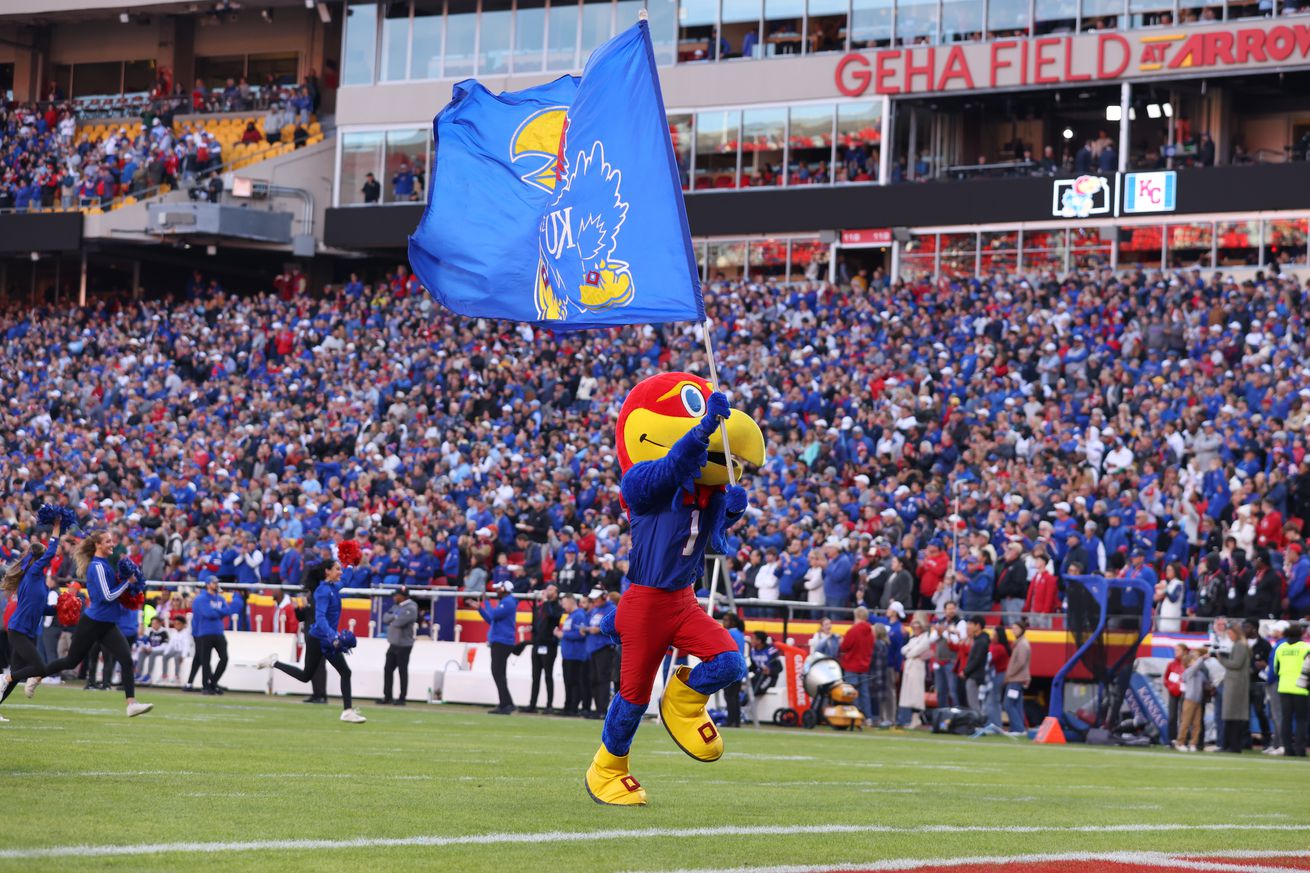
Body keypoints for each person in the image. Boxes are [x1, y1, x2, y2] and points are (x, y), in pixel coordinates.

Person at [17, 530, 152, 718]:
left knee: (127, 660)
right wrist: (127, 584)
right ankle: (36, 676)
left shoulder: (105, 564)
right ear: (97, 545)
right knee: (71, 661)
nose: (112, 544)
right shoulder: (97, 566)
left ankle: (131, 704)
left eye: (112, 541)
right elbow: (107, 596)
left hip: (107, 623)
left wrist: (128, 583)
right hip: (93, 622)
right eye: (107, 541)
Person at [259, 558, 367, 724]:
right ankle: (274, 662)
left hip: (327, 639)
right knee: (306, 676)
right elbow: (320, 617)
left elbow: (346, 578)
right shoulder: (322, 591)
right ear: (327, 572)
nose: (340, 572)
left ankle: (347, 711)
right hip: (318, 638)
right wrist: (333, 635)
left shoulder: (334, 586)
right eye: (337, 569)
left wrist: (352, 563)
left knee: (344, 672)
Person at [0, 515, 64, 715]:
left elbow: (40, 608)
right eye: (44, 556)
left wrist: (59, 609)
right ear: (38, 558)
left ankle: (6, 683)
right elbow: (52, 550)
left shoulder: (39, 580)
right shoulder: (34, 571)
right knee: (39, 667)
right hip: (18, 630)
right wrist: (56, 527)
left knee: (18, 673)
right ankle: (4, 679)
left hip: (27, 631)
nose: (47, 559)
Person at [189, 577, 241, 695]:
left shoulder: (220, 598)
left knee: (224, 658)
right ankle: (206, 686)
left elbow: (227, 611)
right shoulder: (201, 599)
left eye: (217, 582)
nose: (216, 584)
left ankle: (212, 682)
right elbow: (208, 613)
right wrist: (219, 612)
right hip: (204, 632)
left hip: (218, 632)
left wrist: (216, 612)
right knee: (205, 661)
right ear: (207, 584)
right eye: (214, 583)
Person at [479, 579, 519, 715]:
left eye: (498, 589)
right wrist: (479, 609)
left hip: (502, 642)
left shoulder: (508, 602)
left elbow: (493, 615)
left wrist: (486, 602)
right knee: (499, 673)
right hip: (501, 641)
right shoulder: (507, 602)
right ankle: (507, 703)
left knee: (497, 672)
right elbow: (491, 619)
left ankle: (506, 704)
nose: (496, 591)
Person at [1272, 621, 1309, 757]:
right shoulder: (1306, 648)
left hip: (1284, 686)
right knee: (1301, 719)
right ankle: (1300, 749)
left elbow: (1276, 668)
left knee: (1286, 719)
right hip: (1302, 687)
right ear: (1302, 634)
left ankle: (1287, 749)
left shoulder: (1281, 648)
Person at [378, 585, 417, 705]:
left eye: (397, 595)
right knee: (388, 669)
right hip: (393, 643)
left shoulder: (411, 607)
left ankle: (402, 697)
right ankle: (387, 696)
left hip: (404, 644)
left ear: (403, 596)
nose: (395, 597)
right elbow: (385, 618)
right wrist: (395, 617)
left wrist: (394, 618)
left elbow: (400, 622)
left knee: (402, 671)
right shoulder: (397, 606)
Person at [1215, 623, 1250, 753]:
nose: (1229, 636)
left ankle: (1232, 745)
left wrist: (1221, 659)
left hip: (1236, 684)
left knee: (1233, 714)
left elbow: (1236, 664)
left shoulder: (1240, 646)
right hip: (1235, 683)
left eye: (1230, 633)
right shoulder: (1239, 645)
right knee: (1231, 715)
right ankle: (1229, 744)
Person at [583, 585, 617, 719]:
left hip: (604, 648)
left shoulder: (611, 609)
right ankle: (597, 708)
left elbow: (615, 628)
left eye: (596, 599)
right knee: (594, 679)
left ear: (603, 597)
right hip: (593, 649)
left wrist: (600, 630)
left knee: (603, 680)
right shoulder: (595, 610)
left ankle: (602, 710)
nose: (594, 601)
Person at [839, 606, 873, 724]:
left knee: (852, 693)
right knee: (864, 693)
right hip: (864, 666)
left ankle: (855, 715)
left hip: (852, 665)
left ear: (857, 616)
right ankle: (868, 717)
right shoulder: (871, 631)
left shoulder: (853, 630)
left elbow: (844, 647)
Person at [556, 592, 590, 716]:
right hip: (568, 655)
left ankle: (573, 707)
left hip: (575, 655)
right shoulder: (570, 616)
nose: (563, 606)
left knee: (574, 683)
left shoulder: (579, 615)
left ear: (571, 602)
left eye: (564, 603)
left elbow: (581, 634)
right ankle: (568, 706)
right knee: (568, 682)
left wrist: (563, 635)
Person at [898, 617, 931, 728]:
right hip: (910, 667)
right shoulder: (913, 639)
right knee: (909, 693)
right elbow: (903, 649)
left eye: (917, 627)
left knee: (916, 692)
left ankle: (916, 718)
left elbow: (916, 651)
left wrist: (909, 652)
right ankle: (911, 719)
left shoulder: (925, 638)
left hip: (917, 667)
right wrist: (910, 652)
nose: (915, 629)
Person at [1001, 618, 1030, 734]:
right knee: (1017, 704)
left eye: (1016, 628)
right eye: (1012, 628)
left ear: (1022, 630)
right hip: (1018, 679)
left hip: (1016, 679)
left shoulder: (1022, 644)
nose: (1013, 630)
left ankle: (1018, 728)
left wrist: (1010, 674)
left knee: (1008, 704)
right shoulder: (1021, 643)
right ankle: (1018, 727)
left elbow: (1020, 662)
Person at [720, 613, 748, 727]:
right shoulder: (740, 633)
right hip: (741, 665)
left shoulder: (729, 632)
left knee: (729, 695)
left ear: (733, 622)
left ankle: (730, 720)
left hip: (731, 666)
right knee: (735, 696)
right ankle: (736, 722)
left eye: (726, 620)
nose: (724, 623)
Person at [1176, 648, 1206, 752]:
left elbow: (1206, 681)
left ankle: (1193, 743)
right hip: (1189, 700)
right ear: (1188, 663)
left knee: (1197, 724)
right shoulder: (1188, 672)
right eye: (1193, 660)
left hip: (1198, 701)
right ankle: (1180, 743)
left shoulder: (1200, 673)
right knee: (1186, 722)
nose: (1196, 661)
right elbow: (1196, 666)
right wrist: (1202, 658)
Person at [962, 615, 990, 714]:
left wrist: (965, 671)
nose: (968, 626)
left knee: (974, 703)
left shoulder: (981, 641)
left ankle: (978, 724)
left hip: (975, 676)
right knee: (974, 703)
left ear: (978, 626)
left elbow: (977, 660)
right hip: (976, 675)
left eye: (970, 624)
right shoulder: (980, 640)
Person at [1163, 643, 1187, 745]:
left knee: (1184, 717)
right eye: (1175, 650)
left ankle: (1183, 739)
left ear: (1185, 652)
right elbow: (1166, 678)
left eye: (1178, 650)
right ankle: (1171, 739)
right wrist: (1171, 686)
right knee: (1172, 716)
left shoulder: (1187, 664)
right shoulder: (1171, 664)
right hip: (1173, 692)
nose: (1176, 652)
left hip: (1184, 693)